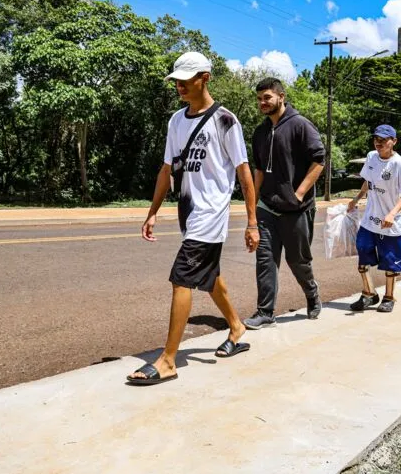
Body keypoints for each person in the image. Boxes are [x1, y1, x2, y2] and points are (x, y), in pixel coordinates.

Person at [127, 52, 259, 385]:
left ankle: (169, 360)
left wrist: (252, 222)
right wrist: (153, 212)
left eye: (186, 80)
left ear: (205, 77)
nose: (180, 86)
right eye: (177, 81)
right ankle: (236, 327)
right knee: (208, 276)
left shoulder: (226, 120)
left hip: (211, 213)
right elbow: (166, 169)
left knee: (182, 277)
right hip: (188, 210)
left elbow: (244, 174)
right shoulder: (175, 121)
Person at [243, 77, 325, 329]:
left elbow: (319, 161)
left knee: (297, 261)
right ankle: (265, 312)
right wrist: (254, 207)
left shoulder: (301, 125)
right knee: (265, 259)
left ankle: (312, 294)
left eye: (266, 97)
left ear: (281, 96)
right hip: (267, 207)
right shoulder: (260, 132)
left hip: (297, 209)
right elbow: (258, 170)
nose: (262, 103)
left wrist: (299, 194)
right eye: (258, 99)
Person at [346, 125, 401, 313]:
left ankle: (389, 297)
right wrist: (356, 199)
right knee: (362, 256)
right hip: (369, 221)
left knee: (391, 262)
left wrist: (392, 214)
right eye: (376, 139)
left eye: (384, 140)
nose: (379, 143)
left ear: (394, 141)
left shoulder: (398, 164)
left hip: (389, 224)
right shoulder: (371, 157)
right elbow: (368, 181)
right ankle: (369, 294)